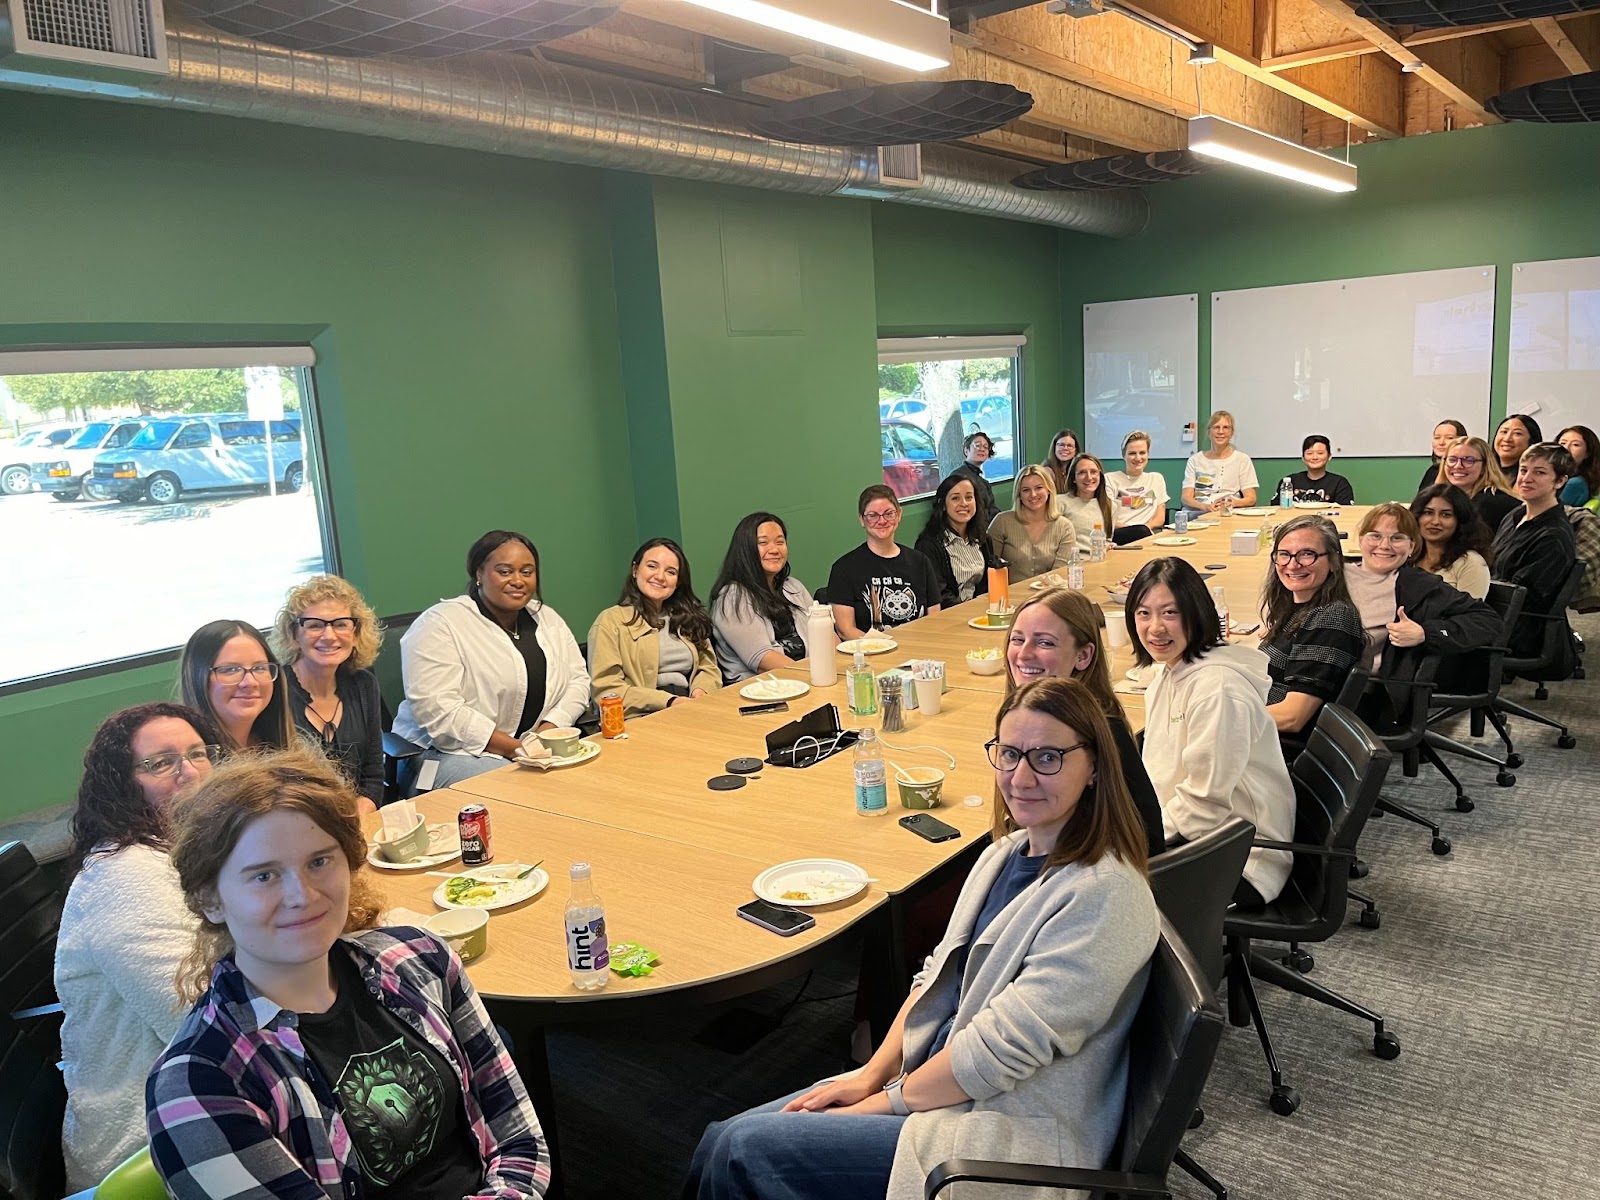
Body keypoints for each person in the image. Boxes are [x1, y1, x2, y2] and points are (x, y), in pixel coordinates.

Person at [683, 678, 1158, 1200]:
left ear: (1093, 767)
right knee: (719, 1138)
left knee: (743, 1151)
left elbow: (996, 1054)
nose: (1020, 777)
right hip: (936, 1085)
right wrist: (870, 1073)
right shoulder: (1006, 853)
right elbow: (938, 979)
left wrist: (879, 1104)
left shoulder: (1105, 894)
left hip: (1001, 1134)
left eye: (1047, 757)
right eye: (1009, 754)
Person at [146, 748, 551, 1200]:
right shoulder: (200, 1084)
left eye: (319, 861)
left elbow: (517, 1136)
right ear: (210, 899)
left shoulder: (421, 958)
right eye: (264, 876)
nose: (303, 895)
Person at [56, 703, 220, 1192]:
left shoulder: (181, 848)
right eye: (160, 762)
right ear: (123, 783)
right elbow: (199, 1021)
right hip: (146, 1149)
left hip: (202, 1100)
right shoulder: (126, 877)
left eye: (197, 753)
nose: (188, 771)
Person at [1125, 557, 1293, 906]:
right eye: (1144, 613)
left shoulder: (1218, 688)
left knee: (1095, 886)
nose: (1155, 628)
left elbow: (1205, 805)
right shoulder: (1170, 671)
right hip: (1200, 836)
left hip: (1242, 860)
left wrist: (1138, 840)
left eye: (1170, 613)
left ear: (1196, 613)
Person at [391, 530, 589, 789]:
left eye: (527, 572)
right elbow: (439, 711)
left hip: (533, 750)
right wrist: (517, 749)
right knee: (518, 786)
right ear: (479, 574)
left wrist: (547, 733)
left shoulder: (547, 618)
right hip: (440, 756)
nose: (518, 580)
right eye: (505, 571)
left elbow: (578, 681)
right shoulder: (438, 625)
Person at [1004, 589, 1164, 856]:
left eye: (1045, 643)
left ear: (1083, 656)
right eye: (1017, 639)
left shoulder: (1096, 732)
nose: (1024, 654)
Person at [1342, 503, 1500, 702]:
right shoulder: (1334, 574)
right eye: (1375, 535)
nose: (1384, 545)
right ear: (1361, 540)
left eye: (1397, 538)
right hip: (1311, 671)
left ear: (1412, 547)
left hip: (1358, 692)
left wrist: (1426, 633)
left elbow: (1488, 621)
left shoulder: (1420, 586)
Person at [272, 575, 383, 813]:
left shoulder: (364, 685)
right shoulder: (273, 691)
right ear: (294, 636)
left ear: (355, 633)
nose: (329, 636)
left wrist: (355, 819)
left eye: (341, 624)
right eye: (315, 625)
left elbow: (372, 777)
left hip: (357, 820)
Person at [588, 537, 720, 717]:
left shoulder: (688, 617)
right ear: (635, 570)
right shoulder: (610, 621)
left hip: (692, 708)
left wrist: (700, 692)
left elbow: (709, 667)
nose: (660, 576)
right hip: (642, 717)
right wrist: (669, 701)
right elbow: (607, 689)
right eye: (652, 566)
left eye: (671, 572)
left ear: (678, 582)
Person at [1258, 516, 1364, 736]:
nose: (1293, 565)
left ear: (1334, 561)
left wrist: (1222, 718)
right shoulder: (1299, 608)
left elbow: (1293, 717)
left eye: (1307, 554)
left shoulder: (1331, 617)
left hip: (1275, 743)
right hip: (1260, 722)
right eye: (1284, 555)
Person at [1493, 443, 1579, 661]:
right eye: (1523, 470)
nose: (1526, 478)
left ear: (1559, 481)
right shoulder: (1515, 515)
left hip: (1517, 628)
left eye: (1539, 472)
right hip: (1495, 612)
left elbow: (1522, 597)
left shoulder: (1553, 536)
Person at [710, 512, 815, 682]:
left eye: (780, 542)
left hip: (803, 678)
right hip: (761, 687)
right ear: (746, 550)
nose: (774, 550)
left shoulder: (793, 586)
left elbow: (823, 633)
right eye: (763, 543)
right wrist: (812, 676)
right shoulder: (732, 597)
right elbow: (762, 659)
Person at [828, 486, 942, 640]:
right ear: (862, 519)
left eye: (889, 514)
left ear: (899, 514)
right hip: (870, 654)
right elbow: (845, 630)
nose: (882, 521)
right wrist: (884, 646)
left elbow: (934, 619)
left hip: (918, 650)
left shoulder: (920, 562)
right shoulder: (844, 569)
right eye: (873, 515)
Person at [179, 620, 295, 752]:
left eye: (259, 668)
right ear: (198, 678)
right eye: (230, 670)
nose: (250, 682)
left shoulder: (280, 746)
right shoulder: (192, 763)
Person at [913, 475, 1002, 609]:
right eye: (955, 498)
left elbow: (988, 584)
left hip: (983, 611)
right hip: (951, 616)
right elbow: (938, 595)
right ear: (943, 505)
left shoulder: (983, 539)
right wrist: (969, 611)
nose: (964, 503)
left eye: (969, 497)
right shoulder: (928, 544)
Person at [987, 465, 1075, 579]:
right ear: (1019, 495)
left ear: (1049, 490)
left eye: (1039, 488)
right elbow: (991, 567)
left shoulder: (1065, 527)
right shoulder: (1002, 522)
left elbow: (1059, 574)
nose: (1033, 494)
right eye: (1026, 490)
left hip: (1049, 594)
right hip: (1008, 594)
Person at [1411, 484, 1494, 599]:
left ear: (1460, 520)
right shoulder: (1407, 557)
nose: (1435, 521)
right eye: (1428, 513)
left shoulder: (1471, 563)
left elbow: (1470, 614)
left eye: (1446, 515)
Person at [1436, 435, 1520, 531]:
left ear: (1484, 467)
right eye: (1452, 460)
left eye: (1469, 460)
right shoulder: (1441, 499)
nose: (1458, 466)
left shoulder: (1492, 502)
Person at [1181, 409, 1258, 512]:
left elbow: (1251, 498)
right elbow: (1186, 498)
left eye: (1226, 427)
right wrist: (1204, 507)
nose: (1221, 432)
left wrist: (1233, 503)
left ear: (1231, 433)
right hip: (1198, 514)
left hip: (1228, 514)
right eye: (1216, 427)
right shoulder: (1195, 460)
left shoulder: (1242, 459)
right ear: (1209, 432)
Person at [1104, 430, 1167, 544]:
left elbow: (1160, 517)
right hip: (1119, 535)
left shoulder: (1156, 478)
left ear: (1148, 454)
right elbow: (1108, 518)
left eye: (1142, 453)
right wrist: (1134, 530)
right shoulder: (1110, 479)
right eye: (1132, 453)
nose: (1138, 458)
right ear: (1124, 455)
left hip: (1147, 533)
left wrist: (1145, 528)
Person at [1055, 453, 1115, 554]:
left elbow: (1107, 539)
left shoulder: (1110, 505)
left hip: (1099, 562)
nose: (1089, 477)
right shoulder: (1060, 502)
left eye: (1094, 472)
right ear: (1074, 478)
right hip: (1071, 563)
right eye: (1082, 472)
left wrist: (1109, 545)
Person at [1281, 435, 1354, 506]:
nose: (1315, 457)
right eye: (1309, 453)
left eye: (1320, 453)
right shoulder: (1289, 482)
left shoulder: (1340, 483)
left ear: (1329, 456)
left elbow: (1346, 512)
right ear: (1303, 457)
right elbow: (1277, 508)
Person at [947, 431, 997, 525]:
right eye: (977, 445)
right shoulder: (958, 476)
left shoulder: (984, 482)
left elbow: (993, 509)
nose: (982, 449)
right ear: (966, 450)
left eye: (986, 447)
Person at [1420, 419, 1470, 493]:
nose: (1441, 442)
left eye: (1449, 438)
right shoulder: (1433, 471)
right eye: (1437, 437)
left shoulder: (1466, 471)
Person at [1556, 425, 1599, 507]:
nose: (1566, 448)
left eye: (1575, 445)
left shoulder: (1575, 483)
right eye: (1563, 443)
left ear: (1587, 453)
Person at [1041, 428, 1081, 497]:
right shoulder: (1046, 470)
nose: (1065, 448)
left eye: (1070, 446)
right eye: (1061, 445)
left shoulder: (1080, 468)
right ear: (1054, 447)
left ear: (1075, 450)